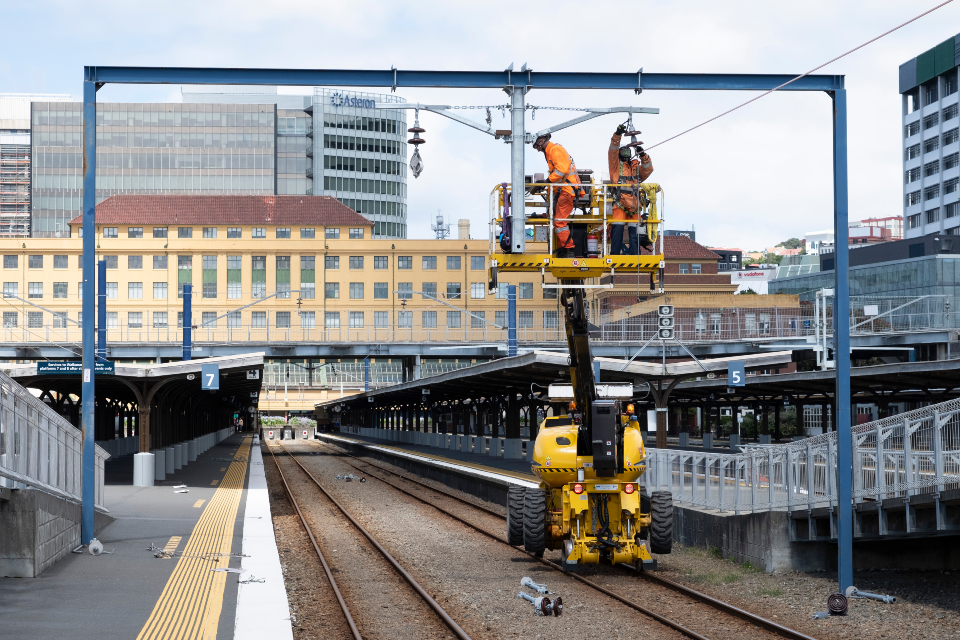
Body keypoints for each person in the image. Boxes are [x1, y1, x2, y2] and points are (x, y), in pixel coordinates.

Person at [533, 133, 584, 258]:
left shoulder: (555, 149)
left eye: (537, 147)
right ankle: (566, 249)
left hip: (566, 191)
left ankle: (569, 250)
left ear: (540, 141)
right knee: (558, 221)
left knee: (560, 222)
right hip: (564, 190)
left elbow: (561, 171)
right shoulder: (553, 151)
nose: (539, 151)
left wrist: (546, 182)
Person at [607, 124, 654, 255]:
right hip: (620, 202)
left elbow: (648, 169)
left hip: (635, 204)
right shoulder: (615, 166)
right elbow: (613, 150)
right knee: (618, 231)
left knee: (635, 233)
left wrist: (643, 154)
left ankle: (635, 254)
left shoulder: (635, 167)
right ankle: (615, 255)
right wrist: (618, 134)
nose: (625, 152)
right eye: (623, 151)